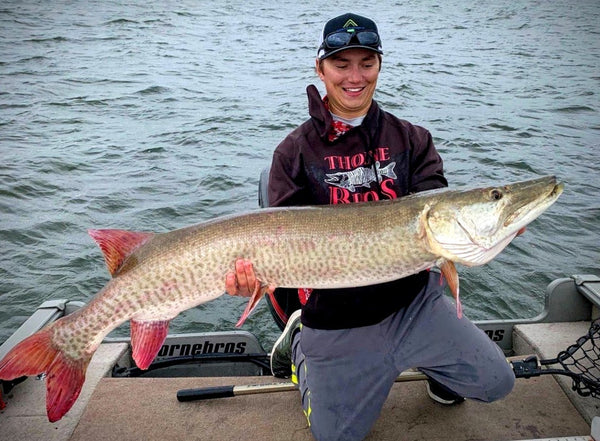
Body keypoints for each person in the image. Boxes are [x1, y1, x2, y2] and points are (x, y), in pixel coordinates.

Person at [226, 13, 515, 441]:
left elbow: (441, 217)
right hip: (335, 320)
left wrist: (494, 227)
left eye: (367, 62)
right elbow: (279, 245)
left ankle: (434, 362)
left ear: (380, 65)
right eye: (342, 64)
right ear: (320, 68)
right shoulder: (292, 153)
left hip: (413, 304)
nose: (355, 76)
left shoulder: (413, 139)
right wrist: (251, 278)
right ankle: (300, 349)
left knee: (497, 382)